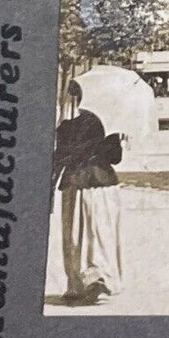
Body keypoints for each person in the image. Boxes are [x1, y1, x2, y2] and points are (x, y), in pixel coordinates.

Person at [52, 81, 125, 304]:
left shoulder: (65, 126)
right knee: (101, 233)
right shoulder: (108, 125)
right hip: (101, 184)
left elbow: (59, 157)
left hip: (73, 184)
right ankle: (100, 276)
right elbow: (115, 158)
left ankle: (75, 284)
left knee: (74, 235)